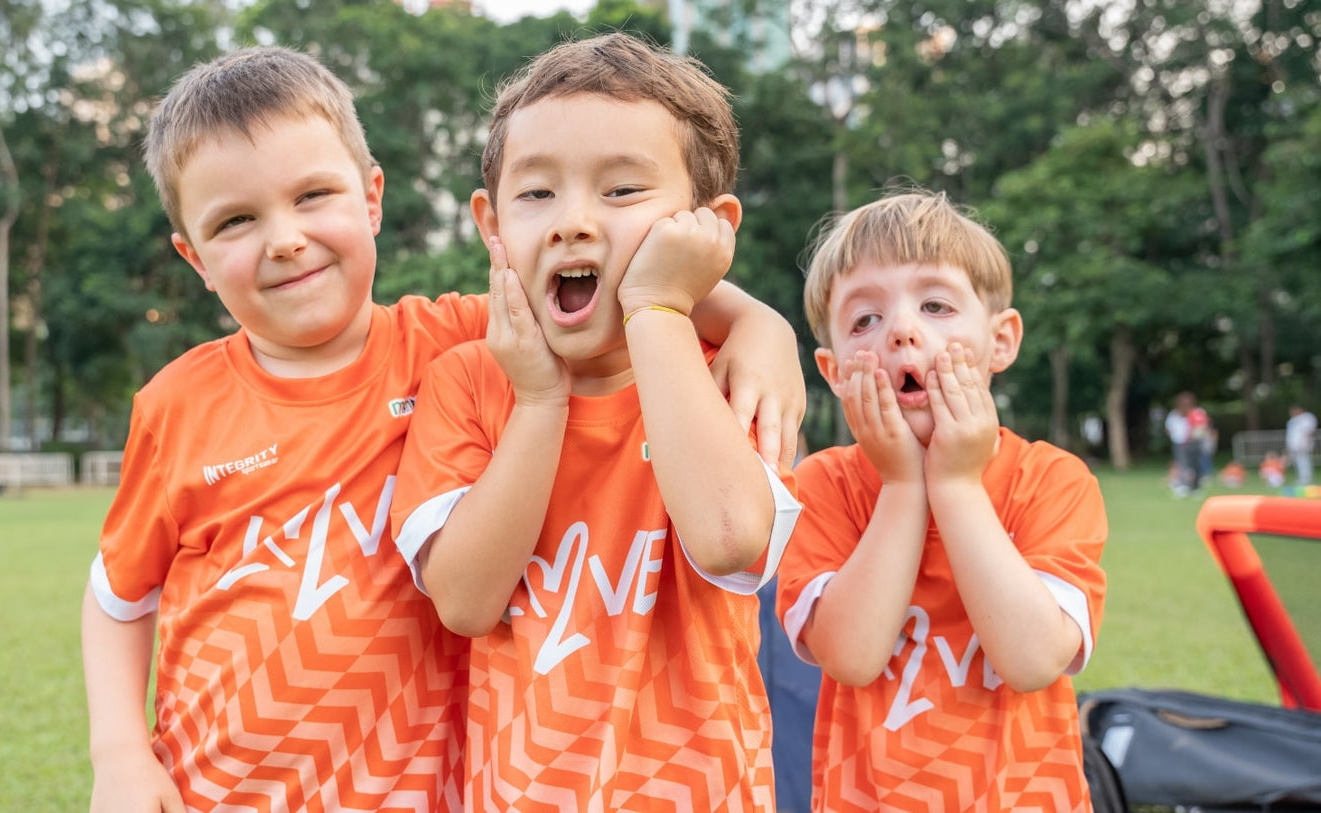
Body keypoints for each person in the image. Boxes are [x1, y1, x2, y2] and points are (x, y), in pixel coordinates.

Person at [80, 45, 807, 812]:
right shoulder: (181, 402)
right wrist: (119, 753)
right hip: (213, 787)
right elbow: (119, 592)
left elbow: (611, 291)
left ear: (371, 199)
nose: (285, 238)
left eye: (312, 195)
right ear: (193, 257)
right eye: (236, 220)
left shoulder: (460, 338)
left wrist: (759, 323)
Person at [390, 33, 803, 811]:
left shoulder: (724, 373)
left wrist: (661, 309)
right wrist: (541, 402)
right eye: (536, 193)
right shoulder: (464, 382)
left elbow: (731, 539)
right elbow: (467, 601)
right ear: (490, 223)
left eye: (620, 192)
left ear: (706, 229)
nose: (572, 222)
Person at [775, 189, 1108, 811]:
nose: (902, 330)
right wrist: (903, 485)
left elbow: (1035, 659)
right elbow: (851, 656)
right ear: (833, 368)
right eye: (864, 320)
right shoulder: (821, 486)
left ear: (1001, 341)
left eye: (935, 305)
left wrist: (955, 484)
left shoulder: (1052, 480)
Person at [1165, 391, 1204, 495]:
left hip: (1194, 443)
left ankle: (1195, 487)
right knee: (1182, 464)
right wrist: (1175, 437)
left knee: (1196, 465)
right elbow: (1168, 428)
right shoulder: (1174, 414)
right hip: (1179, 443)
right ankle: (1181, 486)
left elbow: (1202, 426)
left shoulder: (1197, 412)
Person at [1287, 403, 1316, 486]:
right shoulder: (1292, 420)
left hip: (1303, 445)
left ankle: (1306, 479)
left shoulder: (1307, 417)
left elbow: (1309, 431)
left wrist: (1306, 443)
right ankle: (1301, 478)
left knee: (1304, 461)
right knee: (1297, 462)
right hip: (1294, 446)